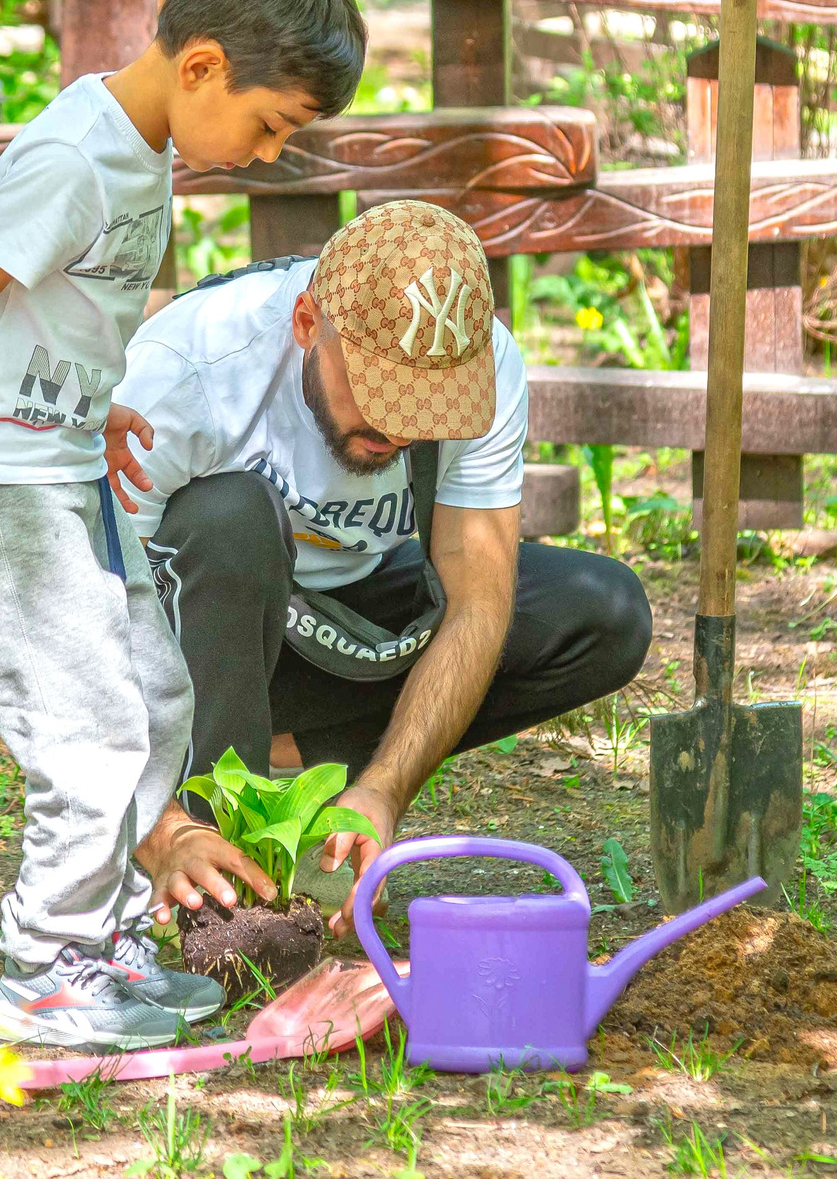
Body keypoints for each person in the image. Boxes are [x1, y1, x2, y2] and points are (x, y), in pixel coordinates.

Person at [0, 0, 366, 1050]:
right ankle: (45, 964)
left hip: (66, 466)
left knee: (153, 693)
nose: (262, 152)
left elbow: (54, 319)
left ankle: (109, 943)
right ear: (201, 65)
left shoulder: (147, 152)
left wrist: (97, 407)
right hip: (1, 484)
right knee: (85, 725)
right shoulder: (72, 157)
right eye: (266, 124)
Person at [104, 201, 653, 927]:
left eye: (427, 405)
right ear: (308, 323)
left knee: (602, 611)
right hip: (208, 631)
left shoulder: (486, 362)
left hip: (346, 625)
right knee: (232, 516)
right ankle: (213, 849)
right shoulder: (189, 370)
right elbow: (94, 617)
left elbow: (479, 602)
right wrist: (160, 823)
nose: (398, 428)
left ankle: (306, 771)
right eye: (378, 391)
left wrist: (382, 789)